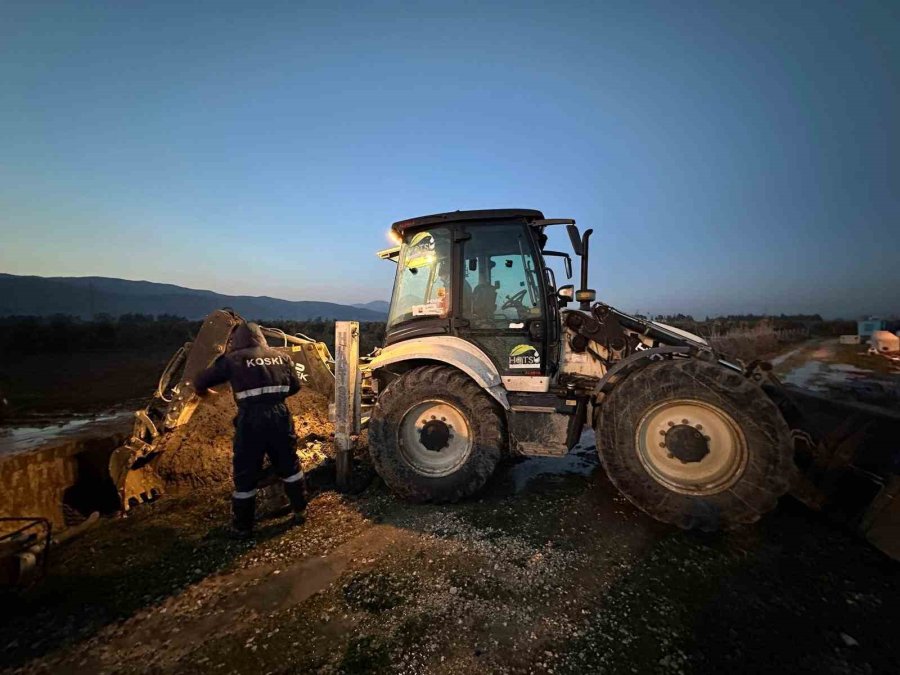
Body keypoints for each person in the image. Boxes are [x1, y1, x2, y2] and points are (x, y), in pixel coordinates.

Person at [194, 321, 308, 538]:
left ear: (236, 340)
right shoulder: (282, 358)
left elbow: (201, 380)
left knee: (246, 473)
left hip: (251, 421)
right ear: (260, 336)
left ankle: (243, 526)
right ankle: (300, 510)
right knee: (290, 465)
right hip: (280, 417)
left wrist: (205, 394)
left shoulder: (232, 360)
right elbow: (295, 387)